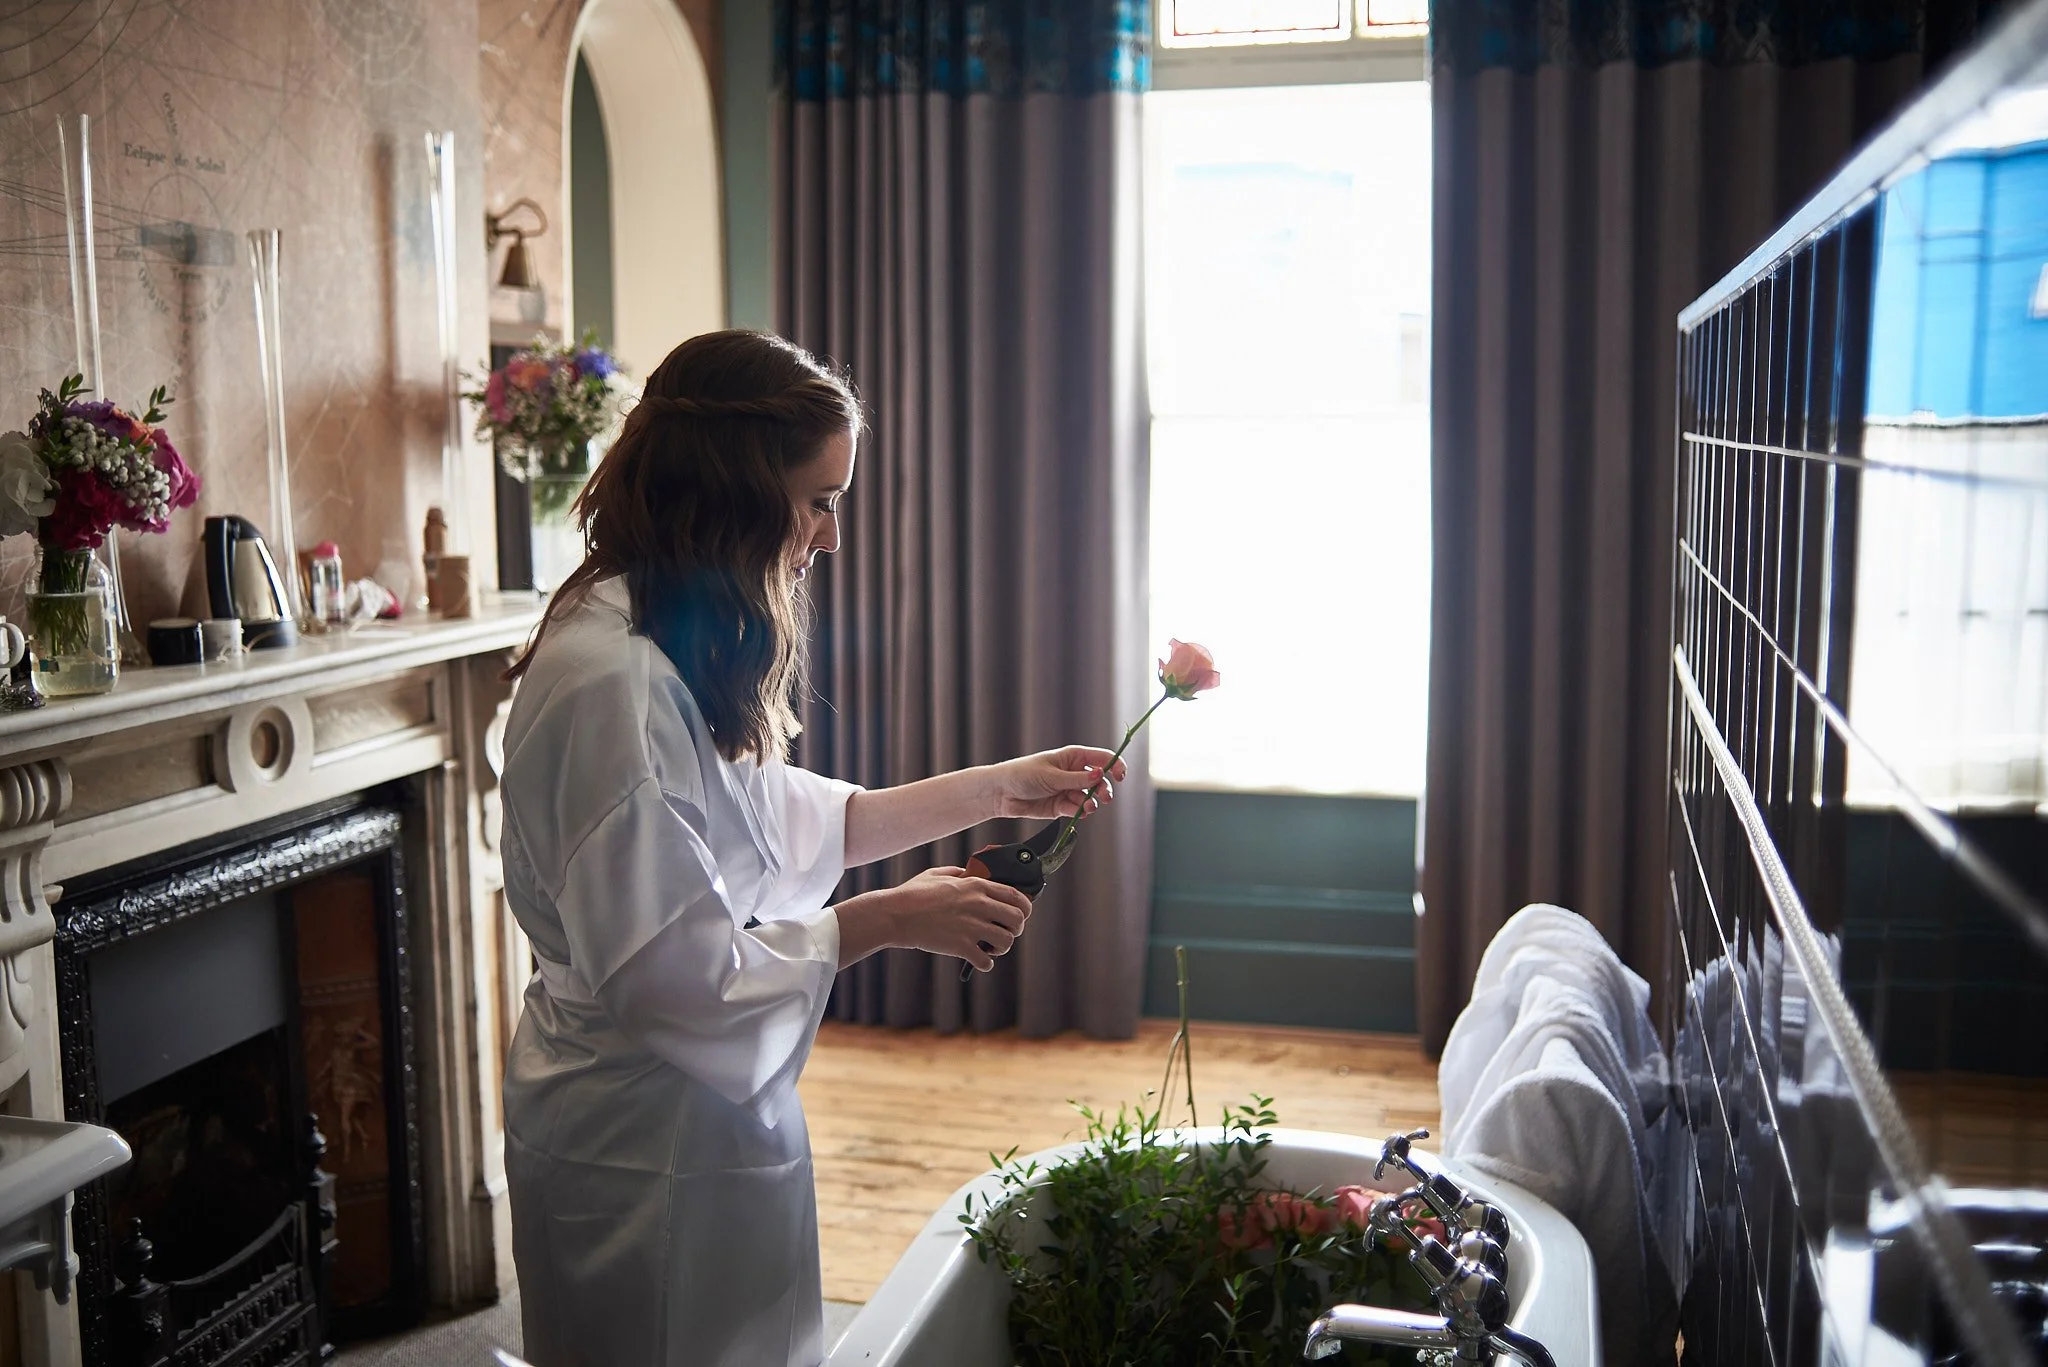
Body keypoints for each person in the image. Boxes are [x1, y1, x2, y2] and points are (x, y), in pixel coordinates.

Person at [496, 330, 1123, 1367]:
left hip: (698, 1115)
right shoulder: (613, 684)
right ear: (735, 491)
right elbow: (676, 976)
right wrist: (888, 917)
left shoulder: (652, 633)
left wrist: (996, 787)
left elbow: (768, 820)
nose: (829, 536)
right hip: (637, 1138)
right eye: (818, 499)